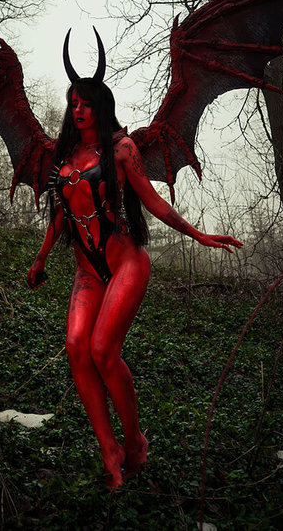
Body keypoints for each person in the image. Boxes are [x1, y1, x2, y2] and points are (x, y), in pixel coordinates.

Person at [27, 36, 242, 490]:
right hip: (87, 271)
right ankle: (109, 449)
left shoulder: (122, 149)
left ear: (101, 106)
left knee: (103, 350)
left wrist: (199, 235)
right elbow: (60, 216)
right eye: (73, 103)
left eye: (85, 103)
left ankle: (134, 439)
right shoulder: (63, 156)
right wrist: (41, 259)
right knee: (76, 347)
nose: (78, 110)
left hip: (126, 261)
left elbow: (154, 202)